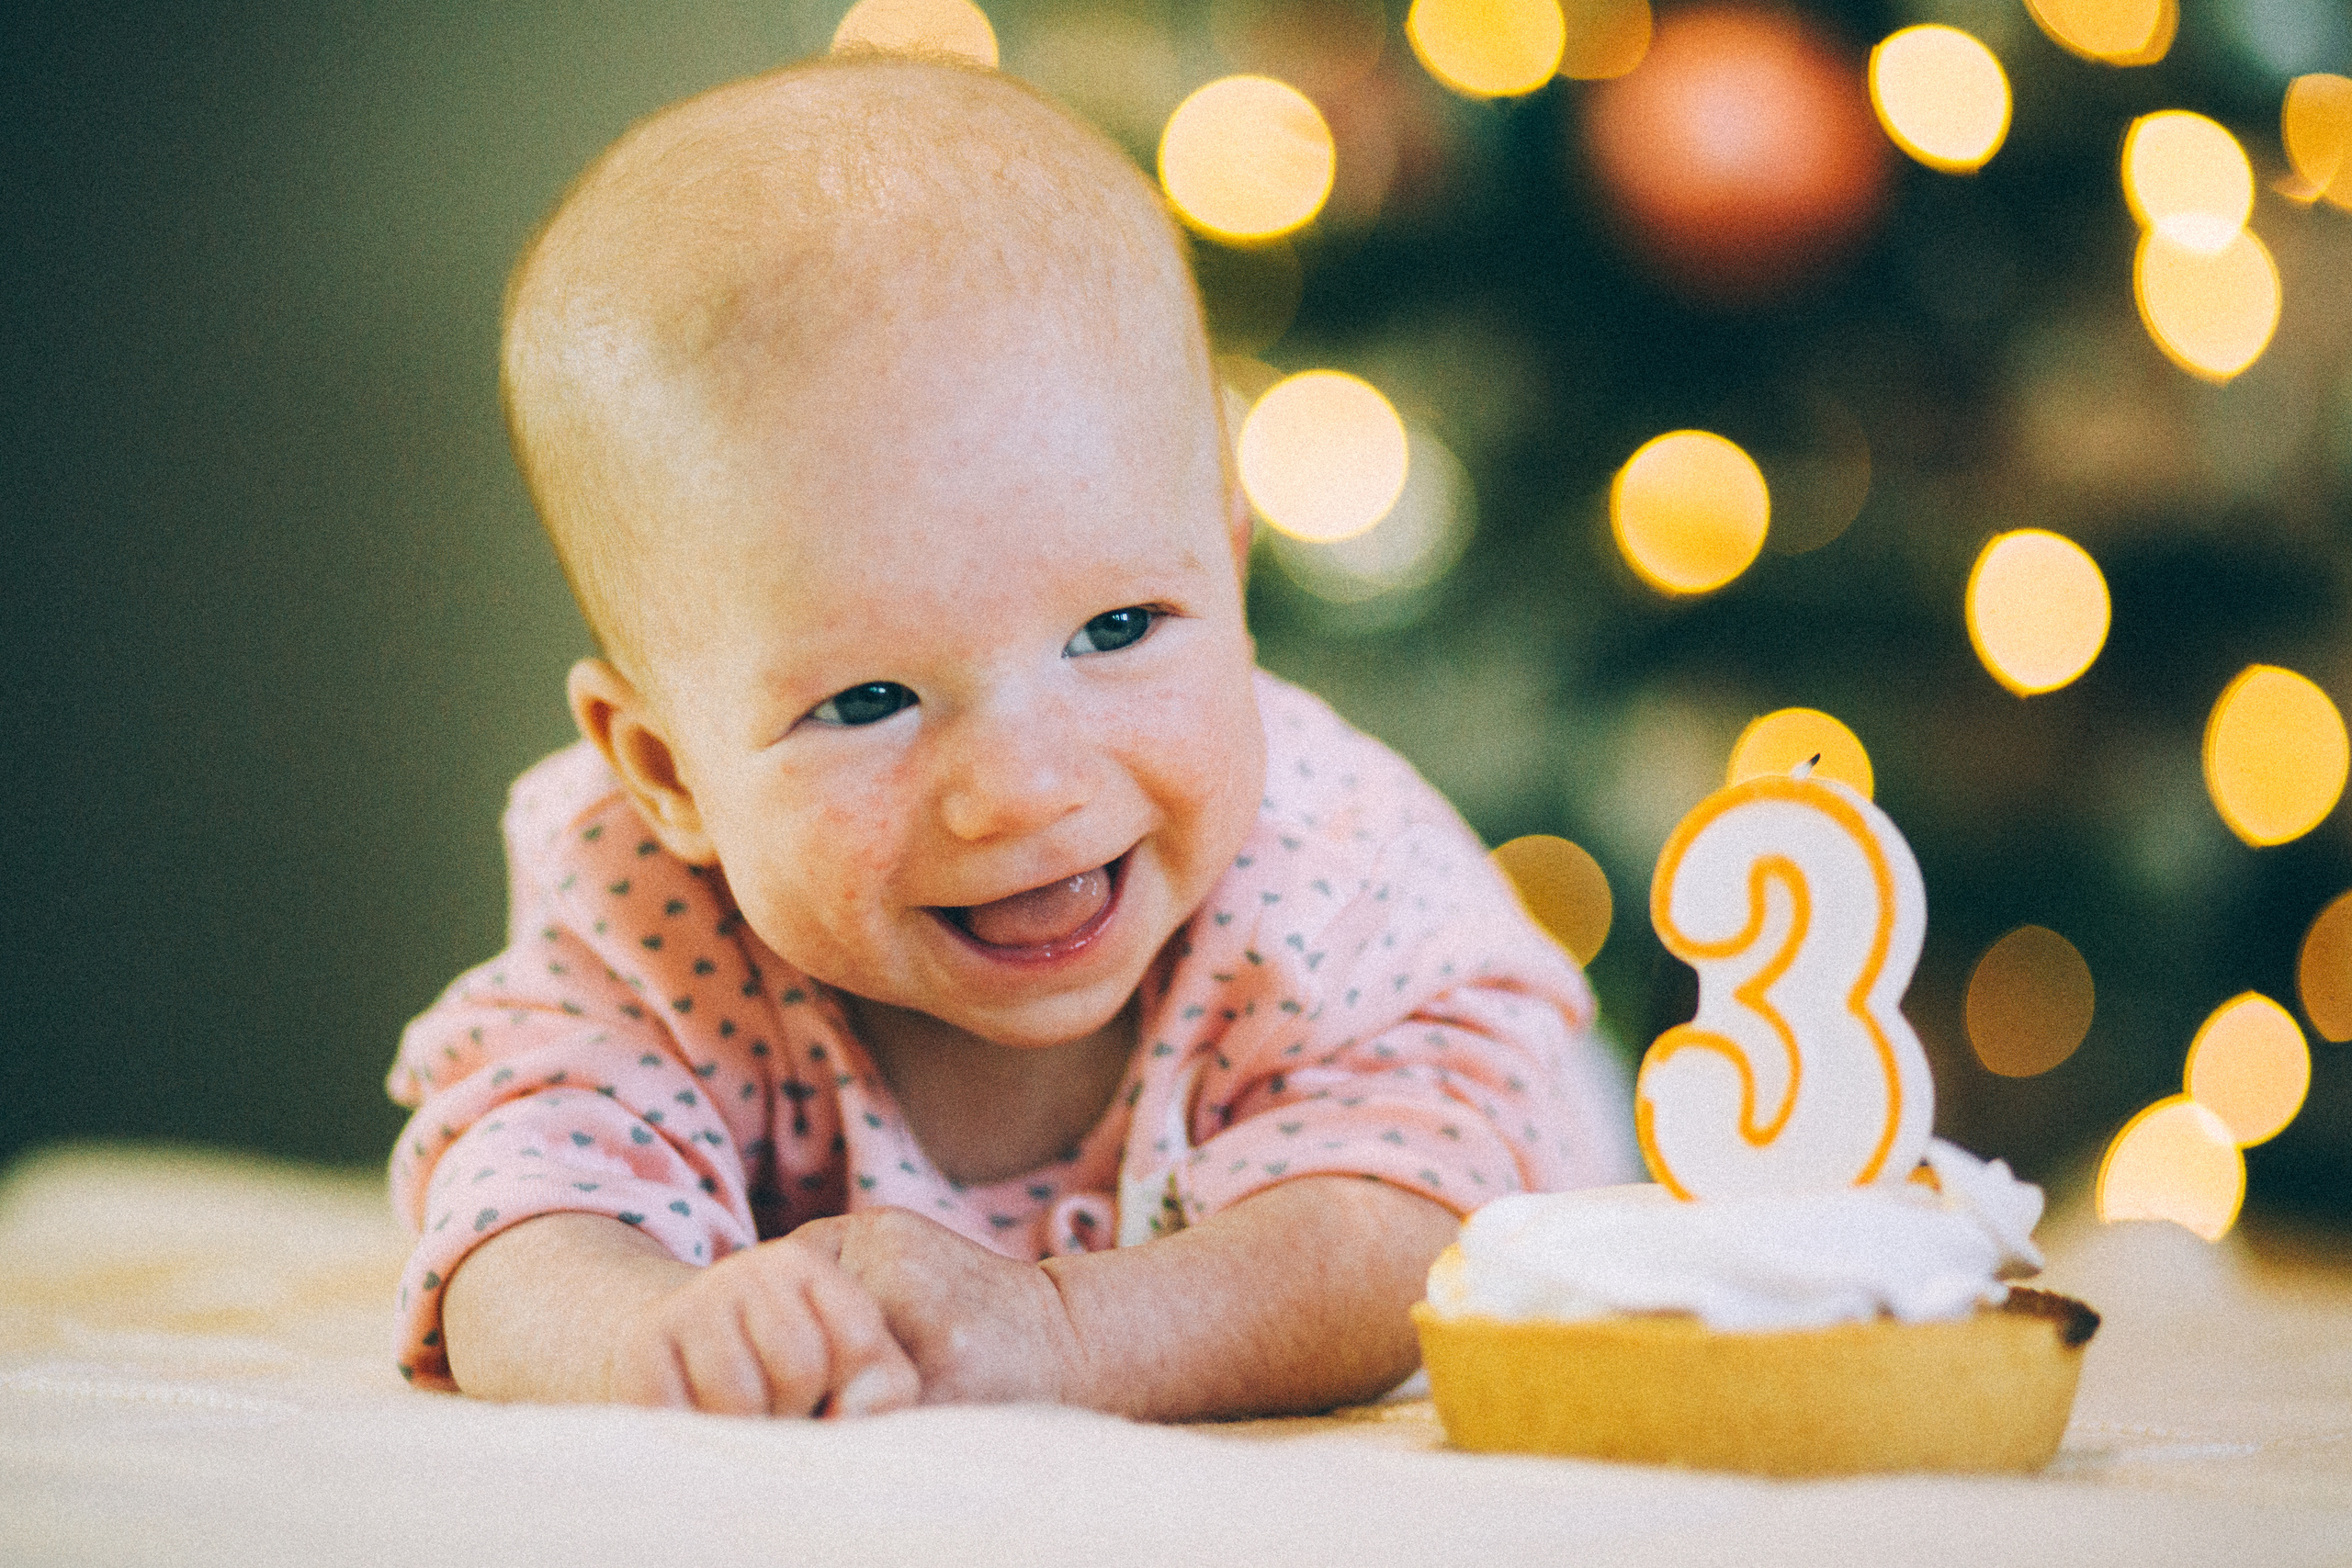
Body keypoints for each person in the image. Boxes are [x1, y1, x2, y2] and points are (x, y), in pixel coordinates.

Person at [388, 50, 1630, 1423]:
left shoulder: (1330, 864)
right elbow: (515, 1207)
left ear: (1227, 566)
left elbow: (1421, 1229)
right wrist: (649, 1339)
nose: (1026, 790)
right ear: (666, 770)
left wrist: (1064, 1331)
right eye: (868, 702)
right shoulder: (642, 912)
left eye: (1117, 630)